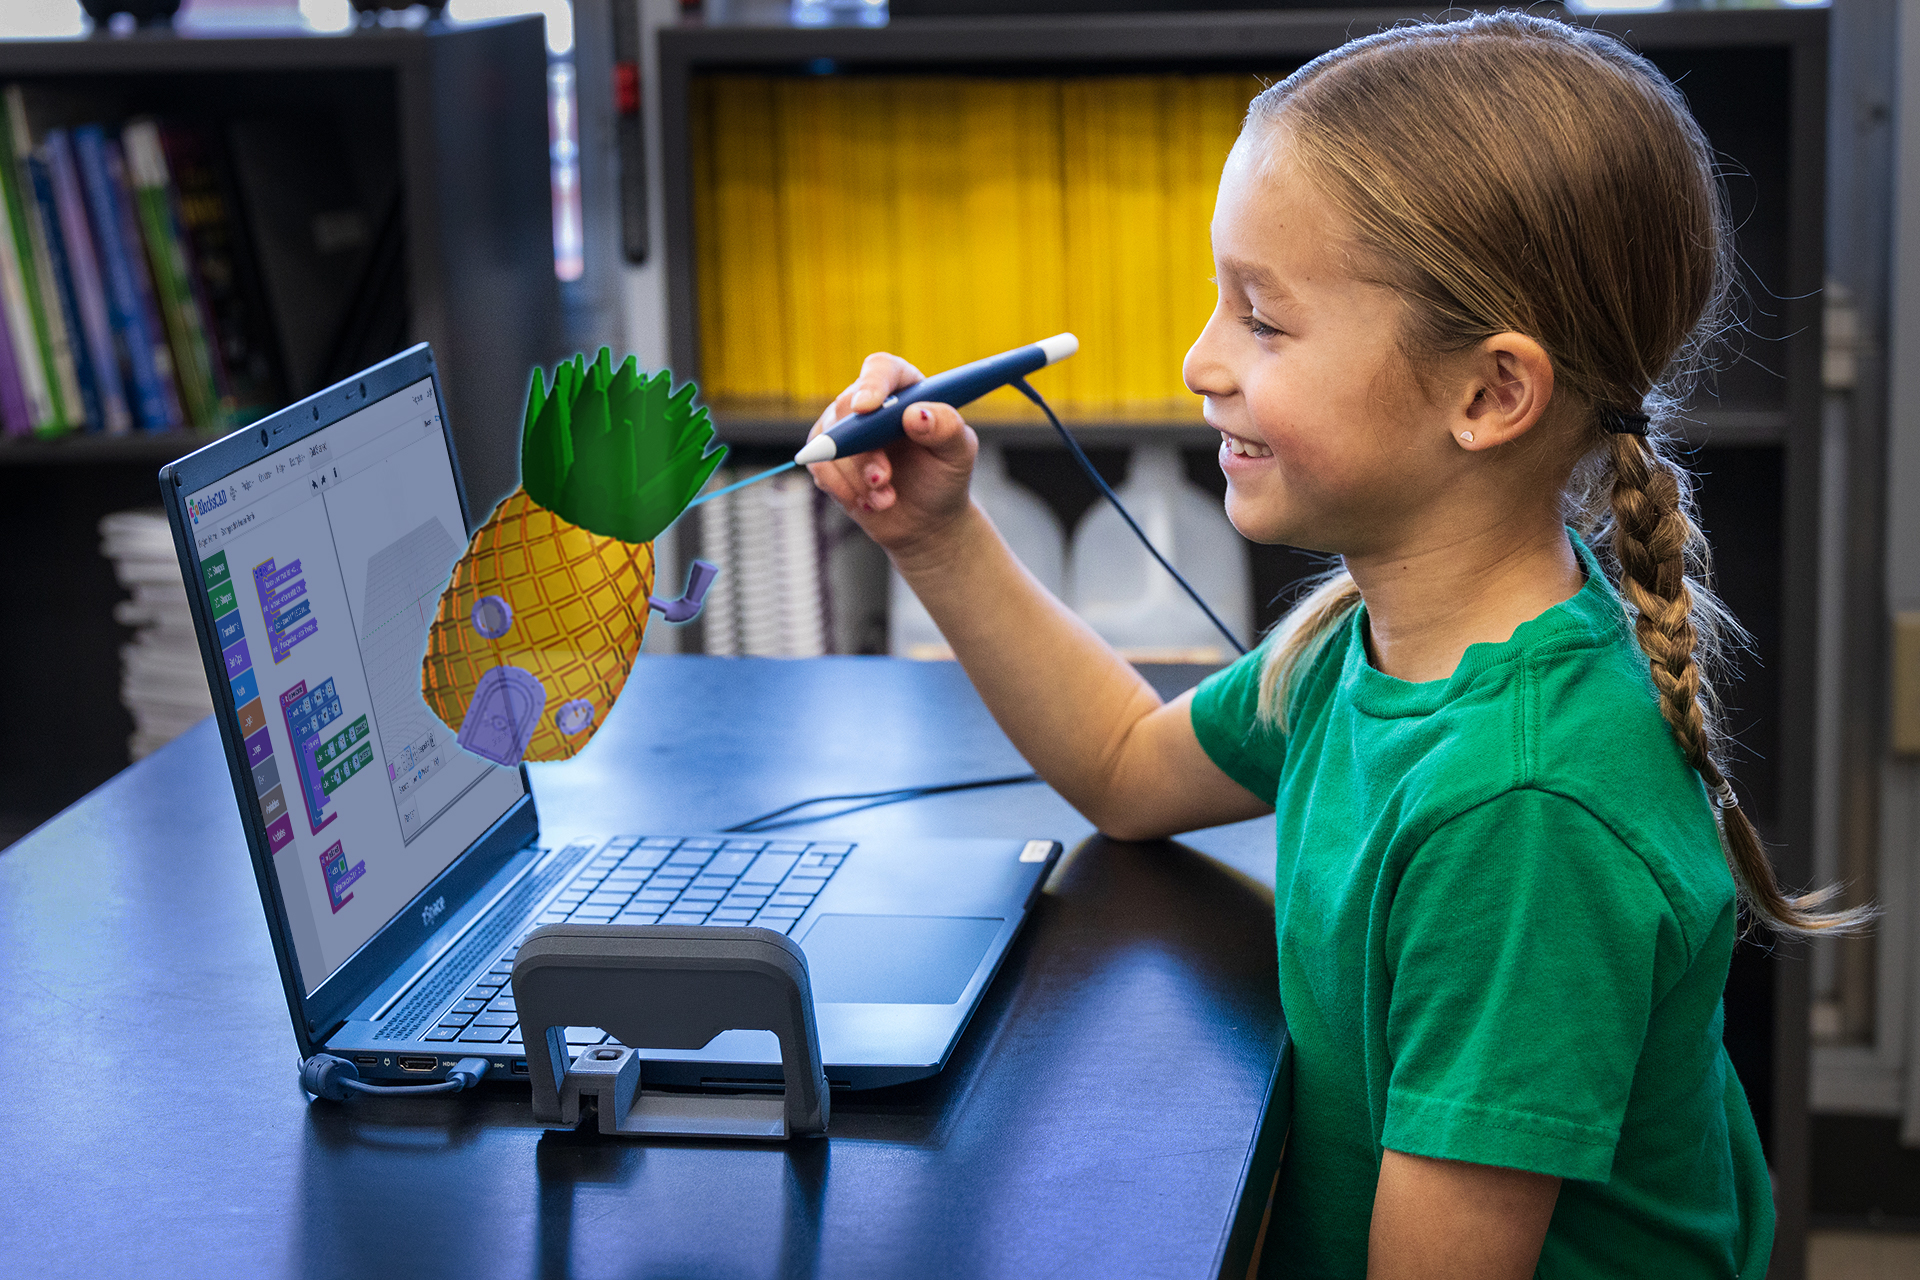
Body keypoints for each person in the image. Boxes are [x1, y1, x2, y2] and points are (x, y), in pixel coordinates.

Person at [804, 12, 1866, 1278]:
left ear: (1488, 394)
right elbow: (1126, 765)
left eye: (1264, 318)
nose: (1201, 361)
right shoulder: (1373, 640)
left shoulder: (1519, 809)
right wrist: (937, 535)